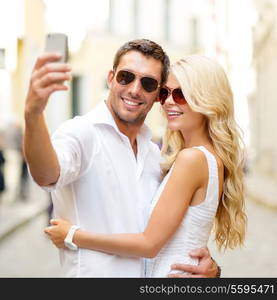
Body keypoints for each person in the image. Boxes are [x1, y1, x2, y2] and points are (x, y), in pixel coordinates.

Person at [24, 39, 219, 277]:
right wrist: (33, 115)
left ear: (157, 95)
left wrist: (211, 271)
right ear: (111, 78)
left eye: (148, 83)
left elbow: (167, 235)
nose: (135, 90)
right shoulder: (82, 132)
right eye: (126, 77)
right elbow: (46, 174)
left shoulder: (155, 155)